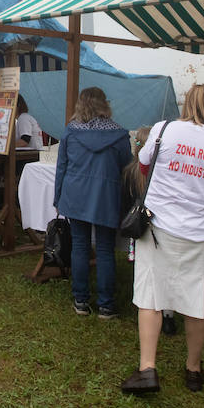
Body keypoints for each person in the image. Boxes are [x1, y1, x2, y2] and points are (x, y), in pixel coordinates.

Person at [123, 83, 204, 396]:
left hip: (159, 227)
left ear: (188, 104)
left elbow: (143, 164)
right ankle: (193, 370)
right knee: (198, 302)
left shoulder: (164, 129)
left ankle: (147, 368)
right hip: (202, 232)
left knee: (151, 297)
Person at [54, 87, 132, 320]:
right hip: (106, 196)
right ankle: (106, 305)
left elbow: (61, 167)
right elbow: (127, 169)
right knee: (105, 249)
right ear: (104, 104)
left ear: (81, 104)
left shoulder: (71, 131)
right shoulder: (119, 134)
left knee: (80, 246)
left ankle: (81, 301)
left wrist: (58, 197)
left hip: (75, 195)